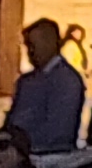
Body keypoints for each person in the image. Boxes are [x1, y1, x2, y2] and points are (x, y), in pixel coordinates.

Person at [6, 18, 85, 154]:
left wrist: (20, 145)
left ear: (49, 43)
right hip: (16, 152)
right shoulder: (26, 81)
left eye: (33, 45)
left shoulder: (67, 80)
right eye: (27, 46)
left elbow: (59, 131)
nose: (29, 52)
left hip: (48, 156)